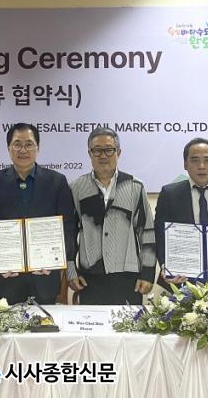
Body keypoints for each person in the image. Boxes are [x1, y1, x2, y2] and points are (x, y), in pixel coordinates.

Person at [0, 123, 76, 305]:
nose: (23, 150)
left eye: (29, 144)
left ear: (38, 148)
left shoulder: (57, 181)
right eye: (17, 144)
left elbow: (68, 227)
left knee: (45, 323)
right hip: (6, 280)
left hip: (45, 278)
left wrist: (55, 260)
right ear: (9, 148)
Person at [67, 127, 155, 305]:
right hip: (90, 278)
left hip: (128, 278)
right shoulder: (76, 188)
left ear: (118, 152)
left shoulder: (134, 186)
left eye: (109, 150)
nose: (103, 156)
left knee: (129, 323)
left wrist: (147, 274)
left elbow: (147, 233)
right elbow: (69, 233)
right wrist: (71, 271)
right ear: (89, 153)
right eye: (97, 150)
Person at [154, 138, 208, 290]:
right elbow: (160, 234)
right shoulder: (169, 194)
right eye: (195, 160)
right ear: (185, 164)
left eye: (207, 160)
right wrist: (166, 265)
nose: (201, 166)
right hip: (181, 278)